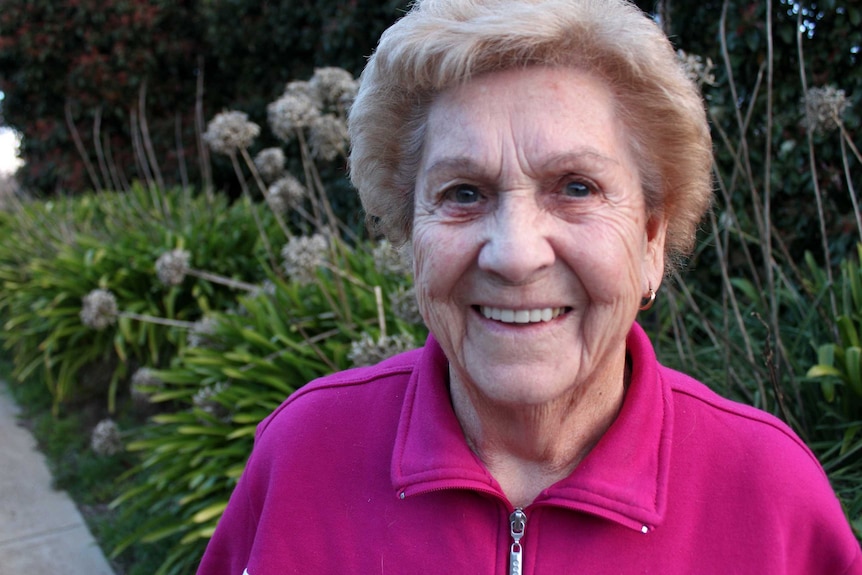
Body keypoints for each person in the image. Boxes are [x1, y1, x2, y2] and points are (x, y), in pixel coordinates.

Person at [198, 0, 862, 573]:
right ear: (410, 236)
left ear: (652, 240)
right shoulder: (304, 453)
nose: (515, 255)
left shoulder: (768, 492)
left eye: (577, 187)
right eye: (463, 193)